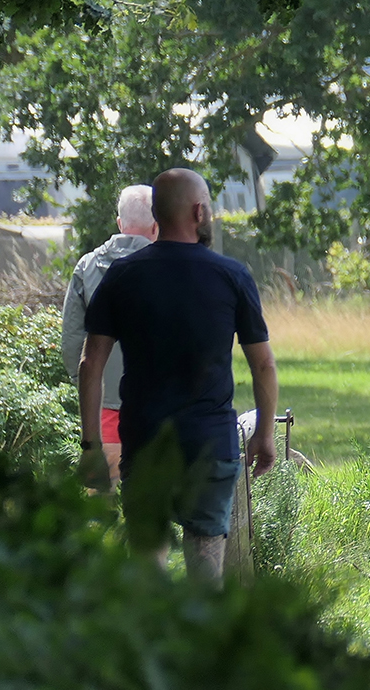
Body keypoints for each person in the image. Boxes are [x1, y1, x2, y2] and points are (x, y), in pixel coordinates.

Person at [77, 168, 278, 586]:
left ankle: (150, 648)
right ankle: (203, 650)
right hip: (211, 447)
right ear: (199, 211)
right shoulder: (232, 276)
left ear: (156, 215)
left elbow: (90, 365)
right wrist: (264, 434)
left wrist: (92, 446)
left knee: (147, 574)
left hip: (146, 444)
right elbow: (263, 365)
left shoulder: (123, 276)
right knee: (206, 578)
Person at [61, 185, 158, 488]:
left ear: (119, 223)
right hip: (155, 410)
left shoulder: (87, 267)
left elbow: (71, 343)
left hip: (101, 411)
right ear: (157, 226)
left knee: (100, 514)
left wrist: (88, 390)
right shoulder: (172, 269)